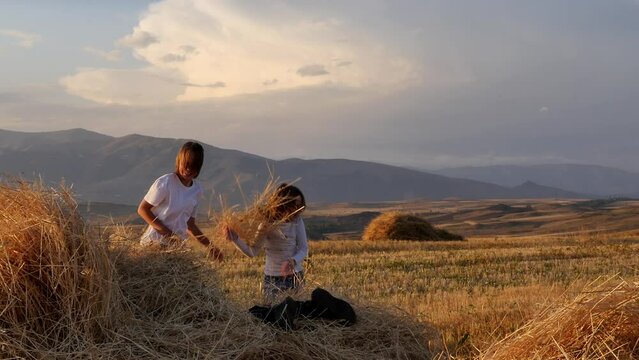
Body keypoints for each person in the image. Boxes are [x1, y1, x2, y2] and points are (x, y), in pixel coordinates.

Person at [138, 141, 223, 261]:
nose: (188, 169)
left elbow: (190, 224)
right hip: (153, 246)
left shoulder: (197, 190)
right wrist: (169, 235)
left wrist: (211, 247)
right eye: (186, 164)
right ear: (179, 162)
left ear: (198, 167)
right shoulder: (166, 182)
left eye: (193, 166)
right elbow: (143, 210)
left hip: (176, 250)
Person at [224, 183, 308, 303]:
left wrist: (293, 261)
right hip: (273, 280)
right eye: (295, 206)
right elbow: (252, 252)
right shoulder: (265, 224)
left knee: (297, 316)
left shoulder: (297, 221)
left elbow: (304, 249)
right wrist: (235, 239)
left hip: (295, 277)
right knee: (272, 317)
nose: (298, 210)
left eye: (300, 205)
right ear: (283, 205)